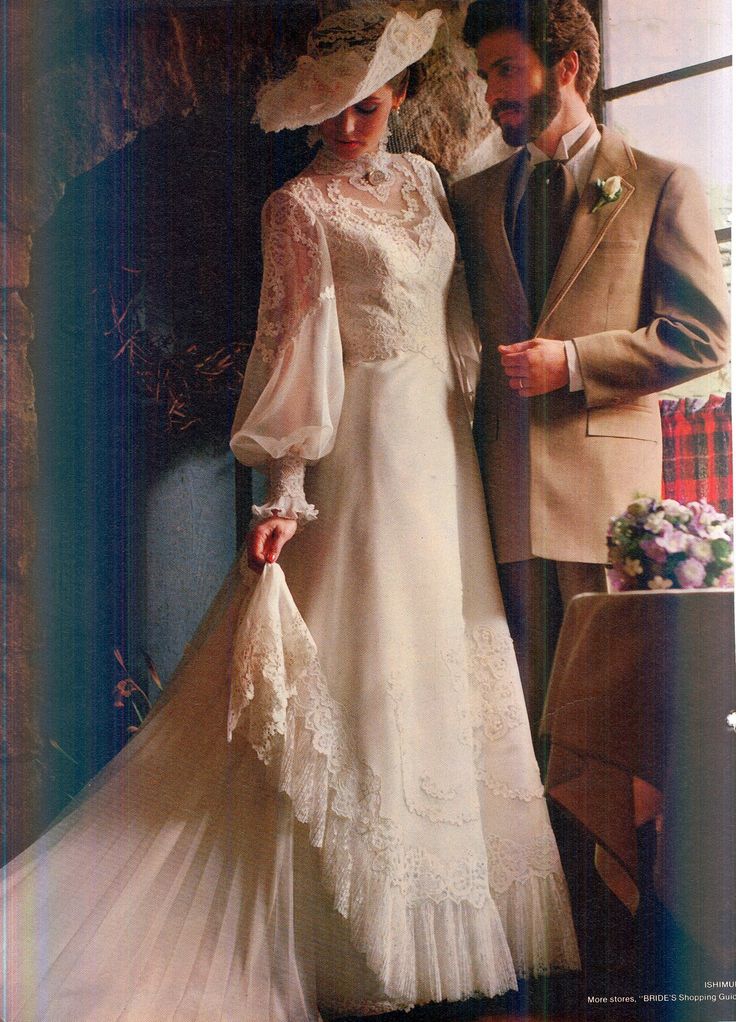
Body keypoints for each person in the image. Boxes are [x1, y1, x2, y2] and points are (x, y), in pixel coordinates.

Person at [1, 7, 578, 1021]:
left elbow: (454, 321)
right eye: (328, 111)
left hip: (438, 455)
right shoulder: (297, 207)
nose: (347, 124)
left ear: (396, 96)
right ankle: (344, 931)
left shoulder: (423, 182)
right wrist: (285, 490)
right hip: (360, 458)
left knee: (444, 657)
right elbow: (293, 352)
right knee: (357, 663)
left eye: (364, 105)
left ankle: (436, 918)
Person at [451, 0, 730, 737]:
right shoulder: (472, 201)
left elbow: (704, 335)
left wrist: (573, 362)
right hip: (497, 500)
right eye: (485, 75)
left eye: (506, 69)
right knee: (512, 730)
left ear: (566, 67)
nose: (491, 93)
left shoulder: (661, 183)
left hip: (606, 508)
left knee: (609, 730)